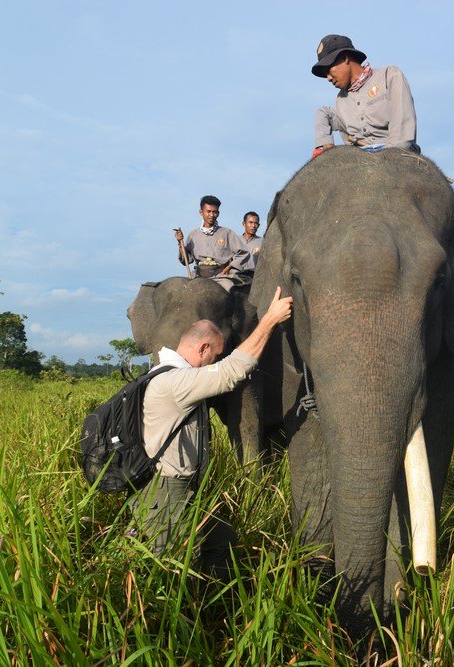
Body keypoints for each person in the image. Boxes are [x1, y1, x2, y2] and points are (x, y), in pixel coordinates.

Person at [132, 286, 294, 568]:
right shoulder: (176, 382)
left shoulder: (165, 376)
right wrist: (269, 320)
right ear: (203, 348)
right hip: (165, 491)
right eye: (215, 355)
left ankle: (217, 592)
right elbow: (232, 372)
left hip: (180, 488)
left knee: (222, 540)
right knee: (181, 564)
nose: (215, 361)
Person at [311, 34, 419, 157]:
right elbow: (324, 113)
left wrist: (388, 159)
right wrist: (324, 143)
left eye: (329, 69)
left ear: (345, 58)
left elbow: (402, 129)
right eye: (325, 74)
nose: (328, 78)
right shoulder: (341, 100)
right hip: (362, 160)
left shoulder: (389, 75)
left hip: (397, 155)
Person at [175, 195, 250, 290]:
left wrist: (231, 266)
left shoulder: (227, 233)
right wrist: (180, 243)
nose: (211, 215)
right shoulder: (193, 235)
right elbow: (187, 260)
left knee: (230, 289)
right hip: (198, 277)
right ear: (201, 212)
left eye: (215, 212)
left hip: (220, 277)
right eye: (208, 211)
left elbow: (244, 253)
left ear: (218, 213)